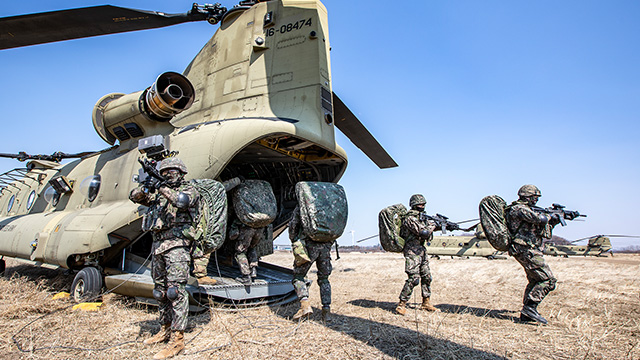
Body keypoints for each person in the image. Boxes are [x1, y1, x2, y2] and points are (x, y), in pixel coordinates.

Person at [129, 157, 199, 359]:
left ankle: (178, 340)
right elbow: (134, 197)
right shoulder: (160, 194)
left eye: (171, 171)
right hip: (158, 246)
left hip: (178, 245)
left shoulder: (188, 189)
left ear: (180, 172)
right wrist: (147, 186)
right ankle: (164, 329)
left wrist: (161, 186)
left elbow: (181, 202)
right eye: (164, 171)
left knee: (175, 292)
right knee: (159, 292)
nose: (167, 174)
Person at [505, 184, 568, 325]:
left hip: (528, 248)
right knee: (548, 280)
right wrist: (551, 215)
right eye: (534, 197)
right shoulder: (519, 209)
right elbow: (540, 219)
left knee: (535, 279)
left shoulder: (525, 210)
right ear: (527, 196)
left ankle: (527, 313)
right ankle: (530, 308)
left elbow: (542, 226)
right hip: (526, 249)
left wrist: (557, 219)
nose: (536, 200)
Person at [396, 194, 439, 315]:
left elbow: (427, 230)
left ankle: (426, 302)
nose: (422, 206)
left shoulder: (421, 218)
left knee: (427, 276)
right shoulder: (410, 218)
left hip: (421, 250)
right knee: (414, 278)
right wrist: (433, 224)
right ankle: (401, 304)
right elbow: (423, 232)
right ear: (414, 205)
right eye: (420, 204)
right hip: (412, 251)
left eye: (424, 204)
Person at [289, 205, 334, 321]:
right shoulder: (329, 207)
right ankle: (326, 311)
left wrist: (295, 241)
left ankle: (305, 305)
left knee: (298, 276)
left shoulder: (303, 205)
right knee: (324, 279)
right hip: (326, 246)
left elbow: (293, 225)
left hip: (308, 245)